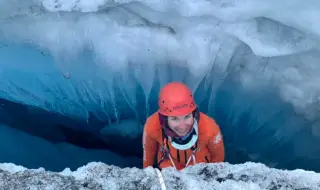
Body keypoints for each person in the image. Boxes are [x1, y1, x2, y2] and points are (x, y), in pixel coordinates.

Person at [142, 82, 225, 170]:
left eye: (187, 116)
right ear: (164, 119)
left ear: (194, 114)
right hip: (168, 169)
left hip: (200, 169)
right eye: (174, 118)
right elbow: (148, 160)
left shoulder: (210, 128)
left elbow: (218, 162)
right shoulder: (152, 126)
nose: (182, 126)